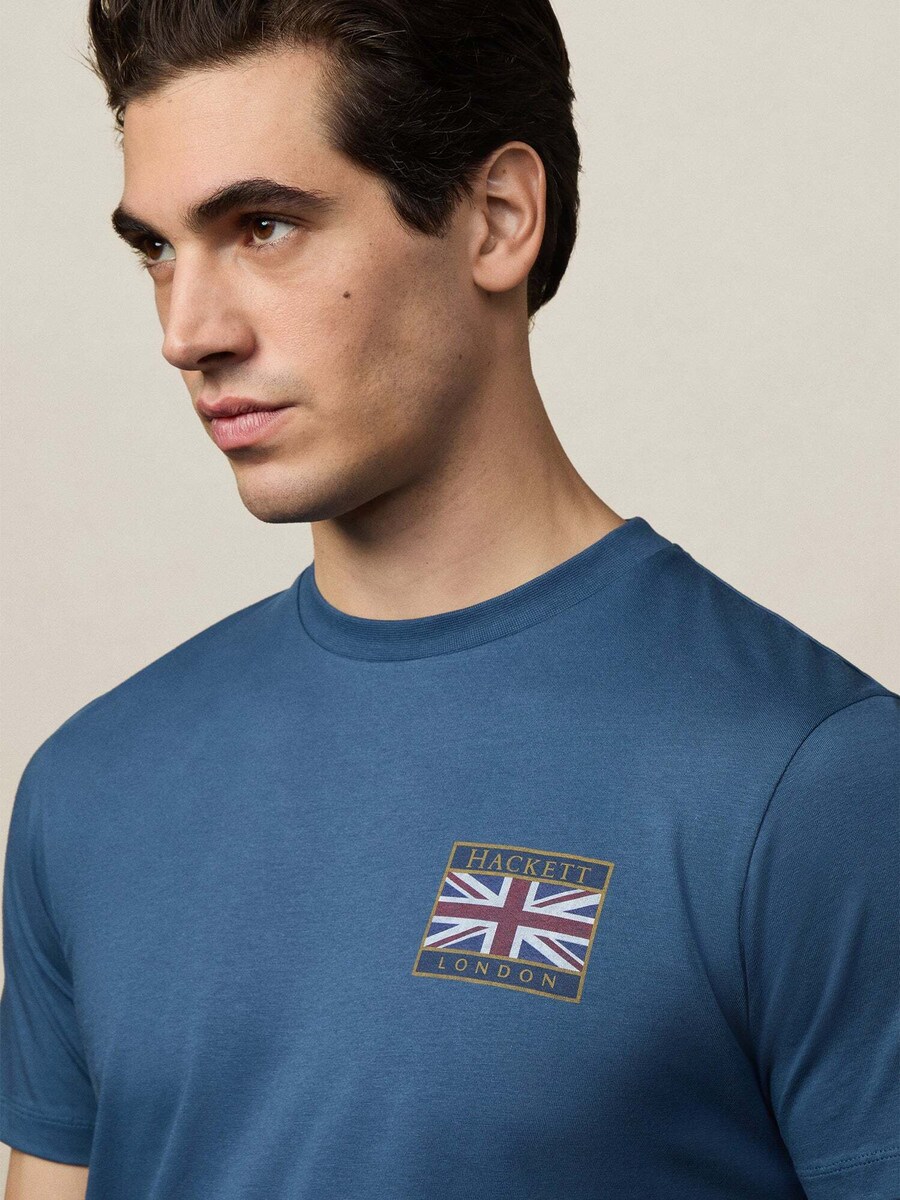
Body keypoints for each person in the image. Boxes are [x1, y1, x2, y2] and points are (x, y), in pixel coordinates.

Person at [1, 1, 897, 1197]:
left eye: (263, 227)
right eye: (158, 248)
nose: (187, 330)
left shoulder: (816, 783)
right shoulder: (90, 787)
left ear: (498, 218)